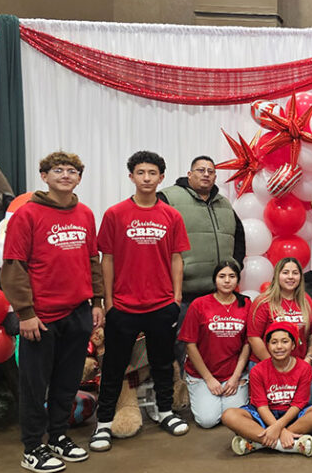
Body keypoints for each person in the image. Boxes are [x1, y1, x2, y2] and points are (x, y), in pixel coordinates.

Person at [1, 151, 105, 473]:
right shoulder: (27, 214)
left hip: (78, 312)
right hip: (40, 317)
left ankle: (59, 435)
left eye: (72, 170)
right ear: (44, 176)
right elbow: (14, 266)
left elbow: (92, 259)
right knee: (35, 384)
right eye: (57, 170)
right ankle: (33, 447)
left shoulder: (85, 214)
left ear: (79, 178)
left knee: (67, 380)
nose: (65, 175)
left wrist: (98, 301)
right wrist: (26, 312)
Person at [90, 151, 190, 453]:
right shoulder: (115, 214)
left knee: (162, 362)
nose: (146, 178)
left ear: (161, 178)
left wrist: (176, 298)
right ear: (131, 176)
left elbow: (176, 259)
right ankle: (104, 422)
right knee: (114, 367)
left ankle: (165, 412)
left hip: (161, 305)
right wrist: (109, 302)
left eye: (152, 173)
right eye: (140, 172)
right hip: (123, 306)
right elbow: (106, 258)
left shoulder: (171, 216)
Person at [157, 155, 246, 367]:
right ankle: (178, 393)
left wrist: (236, 266)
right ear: (189, 174)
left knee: (214, 343)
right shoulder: (168, 198)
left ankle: (206, 388)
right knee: (179, 344)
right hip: (182, 292)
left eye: (210, 171)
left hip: (217, 293)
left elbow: (239, 237)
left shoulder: (224, 203)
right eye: (200, 170)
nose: (206, 174)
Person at [222, 322, 312, 456]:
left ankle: (258, 443)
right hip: (265, 415)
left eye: (284, 341)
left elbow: (298, 404)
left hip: (293, 415)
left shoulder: (304, 368)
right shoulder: (258, 370)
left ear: (293, 345)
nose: (279, 346)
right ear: (268, 346)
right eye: (274, 342)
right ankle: (286, 444)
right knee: (229, 415)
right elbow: (261, 406)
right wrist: (280, 430)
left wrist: (278, 427)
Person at [178, 260, 251, 429]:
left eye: (232, 276)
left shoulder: (246, 304)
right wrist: (209, 379)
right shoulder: (199, 304)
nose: (227, 281)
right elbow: (190, 344)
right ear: (214, 280)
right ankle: (199, 390)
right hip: (203, 375)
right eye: (222, 276)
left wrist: (235, 378)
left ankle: (229, 394)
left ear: (238, 280)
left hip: (233, 374)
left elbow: (248, 344)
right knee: (208, 421)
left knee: (232, 416)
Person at [248, 258, 312, 366]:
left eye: (295, 273)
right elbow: (253, 338)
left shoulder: (306, 300)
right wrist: (275, 365)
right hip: (265, 363)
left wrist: (309, 357)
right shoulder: (263, 301)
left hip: (297, 364)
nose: (291, 277)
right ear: (277, 275)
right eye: (285, 272)